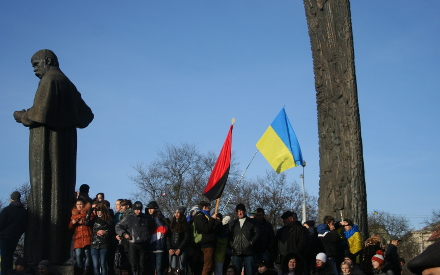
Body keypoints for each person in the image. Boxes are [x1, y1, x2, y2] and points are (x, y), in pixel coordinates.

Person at [13, 49, 94, 264]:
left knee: (43, 196)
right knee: (61, 192)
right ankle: (57, 254)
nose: (35, 70)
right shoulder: (67, 83)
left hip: (45, 146)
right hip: (66, 147)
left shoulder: (49, 80)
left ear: (48, 60)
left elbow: (38, 115)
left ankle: (39, 258)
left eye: (36, 64)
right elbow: (86, 116)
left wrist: (23, 116)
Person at [116, 201, 149, 275]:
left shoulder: (145, 218)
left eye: (140, 209)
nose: (139, 211)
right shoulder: (129, 217)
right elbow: (118, 226)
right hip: (132, 244)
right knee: (132, 265)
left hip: (143, 244)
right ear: (134, 209)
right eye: (137, 209)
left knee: (142, 265)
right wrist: (124, 234)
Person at [229, 204, 261, 275]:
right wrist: (232, 245)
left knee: (250, 272)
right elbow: (229, 235)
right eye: (238, 211)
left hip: (249, 251)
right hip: (236, 251)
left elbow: (257, 233)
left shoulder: (252, 222)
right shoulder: (232, 223)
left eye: (241, 211)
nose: (240, 213)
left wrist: (252, 242)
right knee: (236, 272)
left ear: (245, 211)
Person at [0, 191, 27, 273]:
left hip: (4, 237)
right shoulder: (24, 211)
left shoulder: (7, 210)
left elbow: (1, 224)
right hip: (15, 238)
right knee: (10, 256)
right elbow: (24, 226)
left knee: (4, 258)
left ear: (11, 199)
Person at [86, 203, 113, 275]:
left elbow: (111, 230)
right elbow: (87, 222)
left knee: (103, 264)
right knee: (95, 265)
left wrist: (105, 232)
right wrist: (90, 211)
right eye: (97, 210)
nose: (98, 212)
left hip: (104, 244)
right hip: (94, 244)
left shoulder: (108, 219)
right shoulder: (94, 219)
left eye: (99, 210)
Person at [69, 198, 93, 275]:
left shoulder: (89, 213)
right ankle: (80, 269)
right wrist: (73, 223)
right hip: (78, 237)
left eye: (81, 204)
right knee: (78, 255)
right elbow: (70, 227)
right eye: (78, 204)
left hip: (87, 235)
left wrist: (83, 221)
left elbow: (91, 222)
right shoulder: (73, 215)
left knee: (87, 254)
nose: (79, 206)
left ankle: (86, 271)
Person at [193, 201, 218, 275]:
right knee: (207, 266)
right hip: (206, 244)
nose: (209, 209)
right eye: (208, 207)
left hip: (208, 243)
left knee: (209, 266)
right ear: (204, 207)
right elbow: (206, 228)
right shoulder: (200, 216)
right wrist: (212, 219)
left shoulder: (203, 216)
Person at [166, 206, 189, 274]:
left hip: (181, 250)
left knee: (181, 269)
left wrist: (180, 248)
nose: (176, 214)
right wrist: (169, 248)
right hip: (172, 249)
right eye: (175, 212)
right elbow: (168, 237)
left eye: (178, 213)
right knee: (173, 269)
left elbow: (186, 238)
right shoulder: (171, 224)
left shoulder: (185, 224)